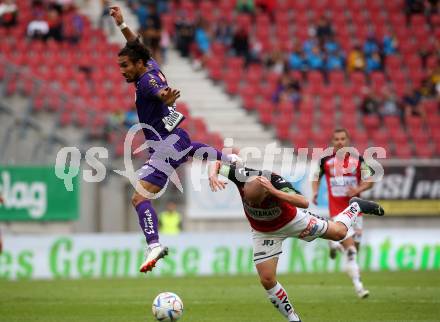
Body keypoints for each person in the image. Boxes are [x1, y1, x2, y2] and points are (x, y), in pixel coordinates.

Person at [109, 6, 240, 273]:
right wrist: (122, 26)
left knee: (139, 198)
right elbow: (136, 45)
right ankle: (229, 159)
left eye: (125, 65)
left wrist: (165, 97)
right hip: (174, 140)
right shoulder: (151, 65)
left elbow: (158, 92)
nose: (121, 70)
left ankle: (154, 245)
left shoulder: (146, 82)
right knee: (189, 148)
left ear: (138, 64)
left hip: (166, 146)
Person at [208, 160, 384, 322]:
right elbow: (214, 162)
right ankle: (294, 319)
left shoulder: (277, 183)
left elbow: (303, 201)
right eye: (246, 197)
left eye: (256, 201)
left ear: (265, 192)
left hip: (293, 221)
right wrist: (212, 175)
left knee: (339, 233)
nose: (250, 202)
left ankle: (356, 206)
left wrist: (275, 192)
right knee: (267, 279)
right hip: (264, 232)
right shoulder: (240, 174)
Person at [311, 128, 375, 298]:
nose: (339, 142)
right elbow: (315, 178)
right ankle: (359, 287)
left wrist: (358, 188)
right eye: (336, 139)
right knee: (352, 251)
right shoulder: (325, 161)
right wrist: (315, 192)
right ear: (332, 142)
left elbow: (370, 181)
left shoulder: (358, 160)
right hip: (338, 213)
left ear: (347, 141)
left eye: (342, 139)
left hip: (356, 213)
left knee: (354, 249)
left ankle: (334, 244)